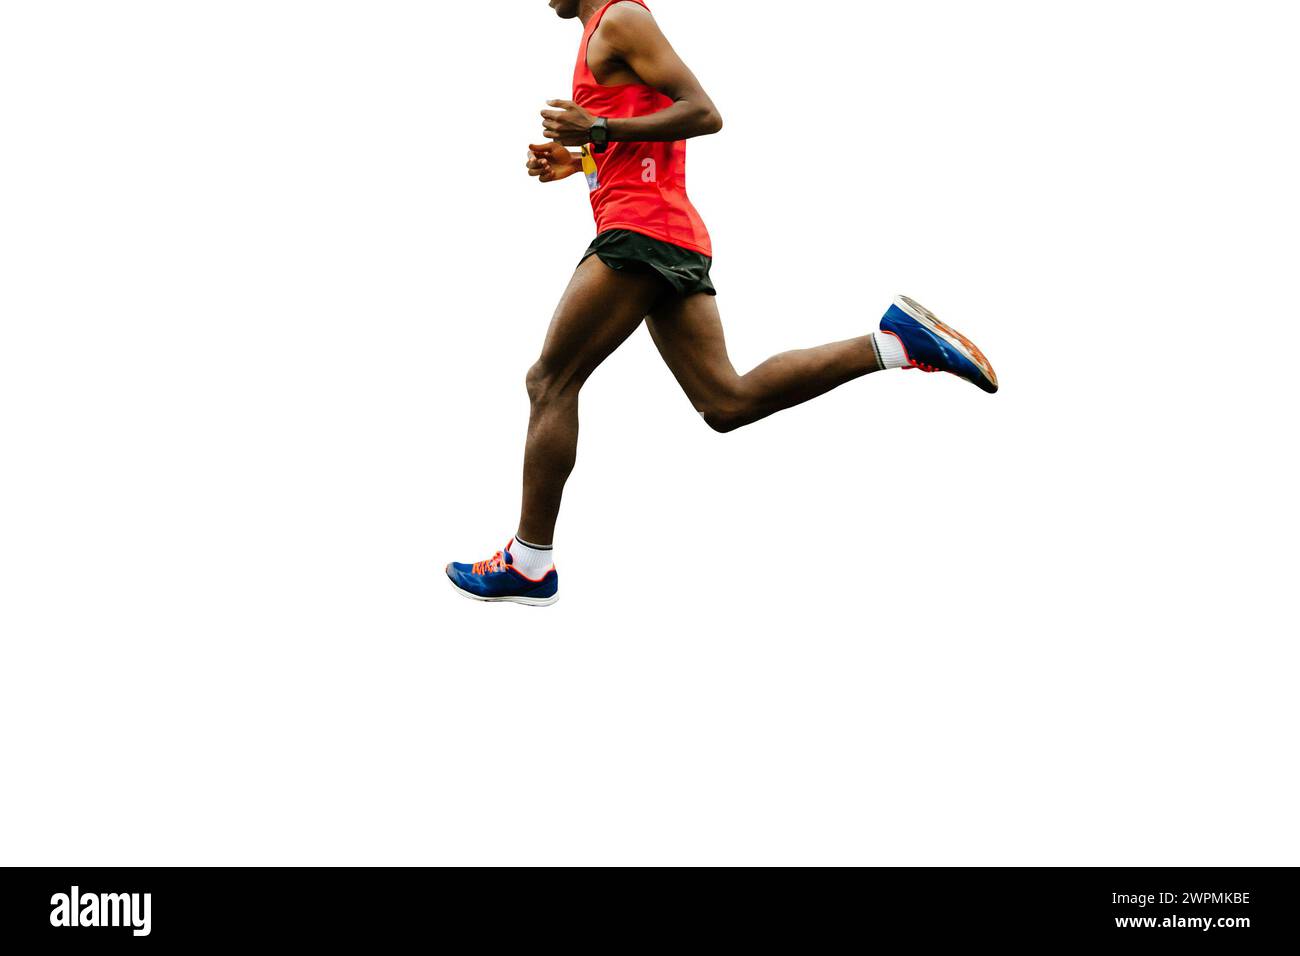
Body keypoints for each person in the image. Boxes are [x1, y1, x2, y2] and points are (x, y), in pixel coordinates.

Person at [446, 0, 998, 606]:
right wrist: (580, 159)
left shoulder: (620, 19)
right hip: (665, 234)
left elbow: (703, 113)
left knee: (550, 380)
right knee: (724, 401)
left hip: (641, 232)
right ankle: (893, 344)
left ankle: (529, 564)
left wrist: (597, 130)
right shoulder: (600, 36)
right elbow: (647, 134)